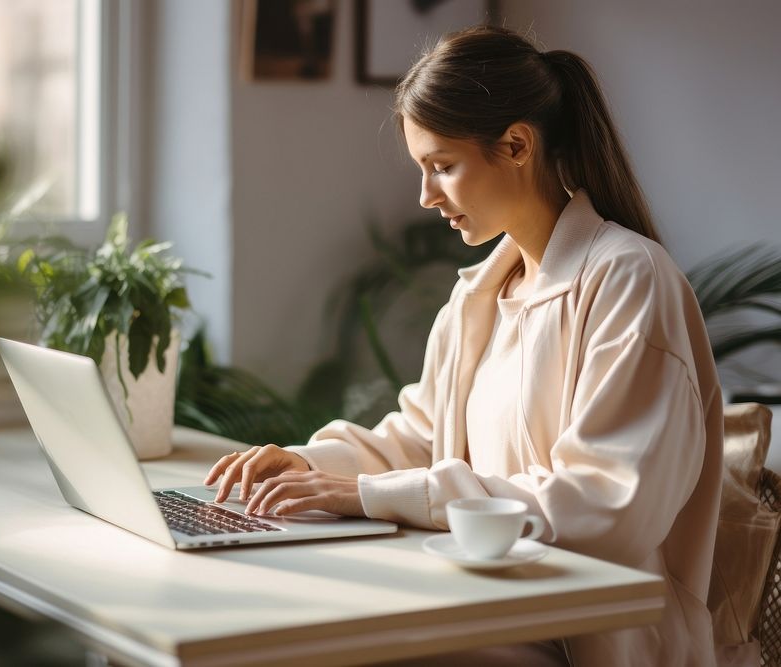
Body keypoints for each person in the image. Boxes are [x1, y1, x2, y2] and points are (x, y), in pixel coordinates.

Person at [204, 25, 723, 667]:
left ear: (516, 145)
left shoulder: (629, 278)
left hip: (589, 637)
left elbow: (606, 509)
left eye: (442, 167)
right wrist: (309, 465)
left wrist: (367, 496)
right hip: (489, 603)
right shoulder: (479, 294)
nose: (426, 197)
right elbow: (420, 438)